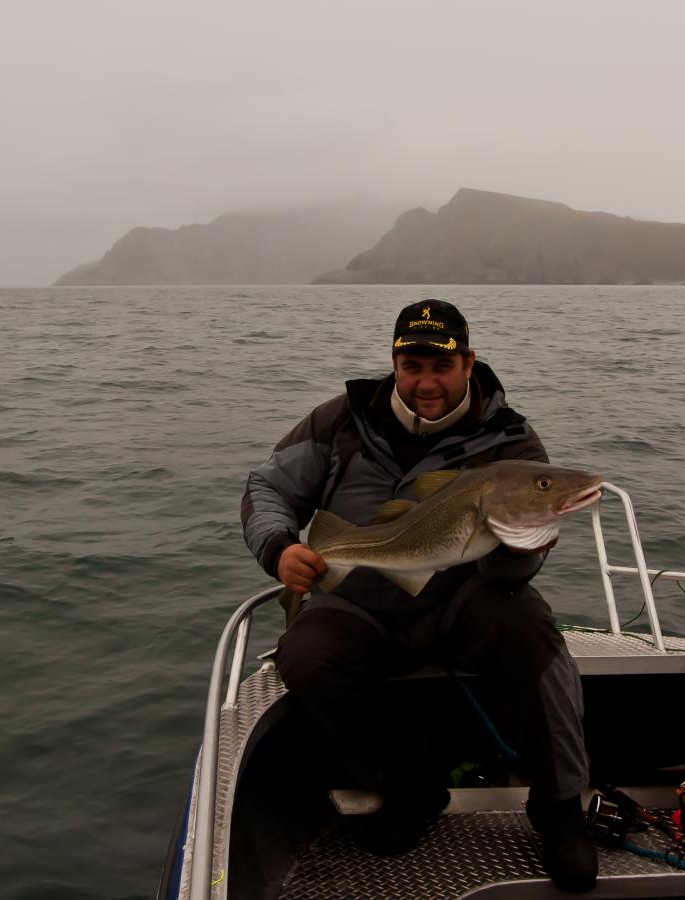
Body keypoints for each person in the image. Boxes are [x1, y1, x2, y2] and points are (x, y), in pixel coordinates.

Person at [240, 299, 597, 891]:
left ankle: (561, 808)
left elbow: (521, 563)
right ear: (394, 363)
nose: (427, 383)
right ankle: (411, 782)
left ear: (469, 363)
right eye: (413, 366)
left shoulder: (509, 439)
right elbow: (267, 487)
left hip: (465, 600)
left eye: (443, 366)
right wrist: (279, 548)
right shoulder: (340, 420)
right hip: (359, 600)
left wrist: (518, 547)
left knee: (530, 630)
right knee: (304, 654)